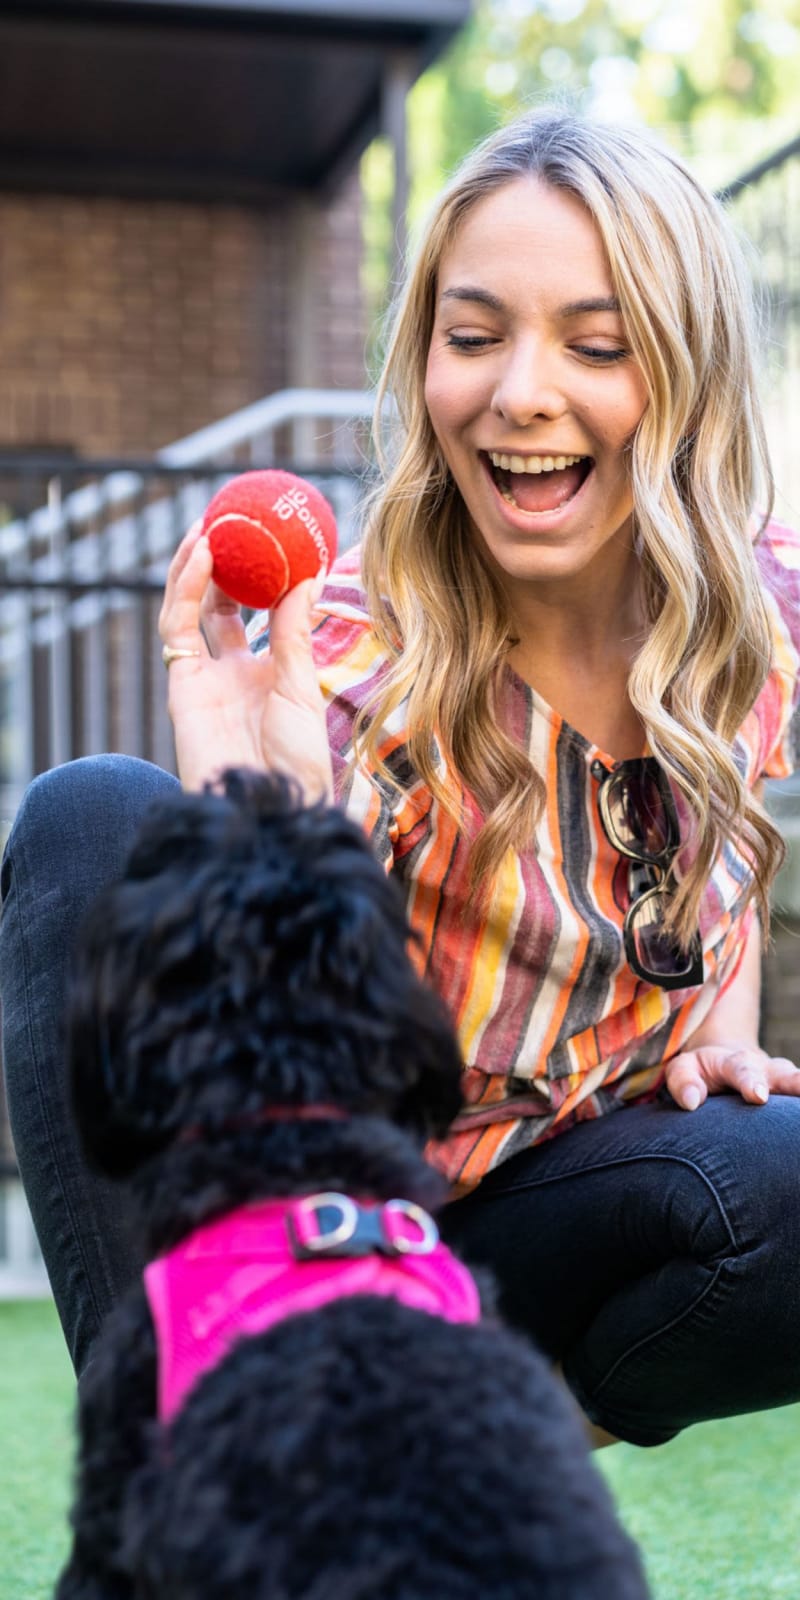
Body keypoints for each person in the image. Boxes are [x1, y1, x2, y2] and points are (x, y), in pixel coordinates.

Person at [2, 110, 799, 1448]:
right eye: (472, 336)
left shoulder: (753, 618)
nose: (519, 392)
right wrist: (260, 814)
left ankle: (425, 1457)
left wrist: (722, 1024)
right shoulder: (350, 647)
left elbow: (727, 828)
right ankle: (190, 1496)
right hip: (314, 1220)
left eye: (595, 346)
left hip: (521, 1240)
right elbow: (257, 1081)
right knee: (92, 814)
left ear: (687, 375)